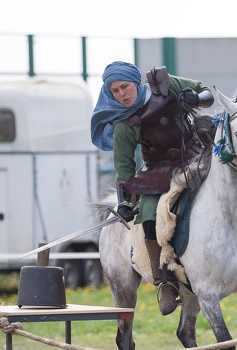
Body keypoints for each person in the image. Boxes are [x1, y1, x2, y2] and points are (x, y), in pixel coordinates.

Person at [90, 61, 214, 315]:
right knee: (147, 214)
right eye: (115, 91)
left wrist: (196, 97)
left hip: (196, 156)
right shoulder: (124, 123)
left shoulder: (165, 86)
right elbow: (124, 167)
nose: (122, 94)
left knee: (230, 183)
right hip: (158, 170)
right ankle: (165, 283)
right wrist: (124, 202)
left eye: (124, 87)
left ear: (136, 82)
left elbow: (207, 94)